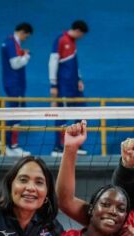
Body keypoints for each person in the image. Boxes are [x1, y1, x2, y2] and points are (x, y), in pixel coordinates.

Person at [50, 21, 89, 155]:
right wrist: (53, 84)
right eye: (82, 35)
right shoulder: (61, 39)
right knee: (63, 116)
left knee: (81, 115)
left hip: (74, 88)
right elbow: (53, 62)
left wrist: (79, 79)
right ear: (78, 31)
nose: (81, 38)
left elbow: (74, 64)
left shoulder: (73, 43)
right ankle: (59, 147)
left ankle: (75, 145)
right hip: (64, 87)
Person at [0, 23, 33, 156]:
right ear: (23, 32)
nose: (26, 39)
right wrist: (27, 57)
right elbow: (15, 64)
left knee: (15, 113)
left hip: (16, 84)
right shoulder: (11, 43)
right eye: (26, 36)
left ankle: (9, 144)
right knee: (15, 114)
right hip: (14, 84)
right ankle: (11, 145)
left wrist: (22, 54)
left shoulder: (12, 43)